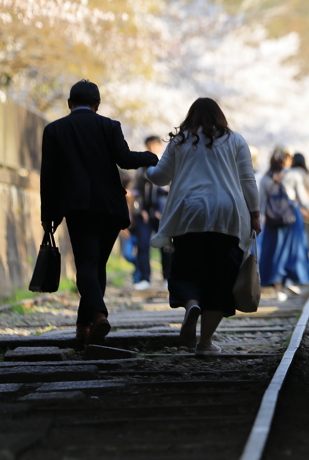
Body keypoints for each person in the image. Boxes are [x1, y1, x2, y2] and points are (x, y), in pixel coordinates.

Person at [40, 80, 158, 348]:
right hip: (110, 208)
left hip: (78, 208)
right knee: (96, 265)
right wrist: (152, 158)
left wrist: (48, 215)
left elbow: (49, 177)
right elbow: (126, 159)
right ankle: (84, 328)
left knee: (86, 266)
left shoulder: (54, 130)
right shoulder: (109, 126)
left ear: (69, 104)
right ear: (97, 105)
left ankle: (98, 315)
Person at [146, 98, 260, 357]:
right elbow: (248, 181)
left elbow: (159, 177)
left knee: (186, 268)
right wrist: (255, 215)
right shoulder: (236, 140)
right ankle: (205, 343)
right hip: (228, 215)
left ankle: (191, 304)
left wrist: (147, 166)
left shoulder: (180, 141)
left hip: (189, 213)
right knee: (221, 278)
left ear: (191, 116)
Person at [259, 146, 309, 301]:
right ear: (286, 159)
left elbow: (260, 202)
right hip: (291, 217)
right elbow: (303, 198)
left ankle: (278, 288)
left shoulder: (266, 178)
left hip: (272, 220)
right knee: (293, 250)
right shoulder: (293, 175)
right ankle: (290, 280)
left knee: (275, 252)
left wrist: (259, 219)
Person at [132, 135, 169, 289]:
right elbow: (136, 191)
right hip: (144, 214)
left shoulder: (167, 164)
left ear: (160, 146)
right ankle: (145, 278)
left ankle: (167, 278)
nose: (152, 148)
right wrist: (140, 210)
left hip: (163, 213)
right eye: (149, 145)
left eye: (155, 145)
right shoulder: (142, 167)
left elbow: (169, 191)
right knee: (142, 245)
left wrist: (163, 210)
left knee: (166, 246)